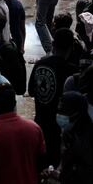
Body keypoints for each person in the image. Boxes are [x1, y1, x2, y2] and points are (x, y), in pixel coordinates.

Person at [28, 28, 77, 167]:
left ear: (53, 44)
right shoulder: (71, 71)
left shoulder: (40, 64)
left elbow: (31, 91)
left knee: (39, 162)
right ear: (71, 48)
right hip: (59, 128)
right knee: (54, 165)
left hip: (40, 122)